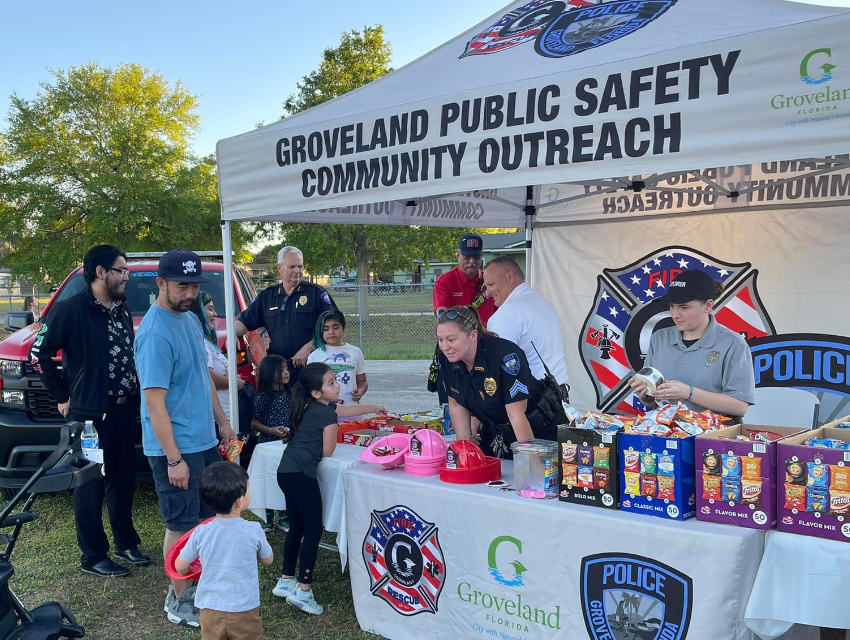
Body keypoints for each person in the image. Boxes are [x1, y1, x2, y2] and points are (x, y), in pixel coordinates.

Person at [29, 245, 148, 578]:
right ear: (101, 272)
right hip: (89, 415)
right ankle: (94, 555)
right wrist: (62, 393)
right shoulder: (68, 309)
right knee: (90, 481)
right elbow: (37, 353)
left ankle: (127, 542)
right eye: (121, 270)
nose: (126, 277)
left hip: (125, 411)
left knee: (123, 478)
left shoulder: (121, 307)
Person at [135, 249, 238, 628]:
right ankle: (178, 598)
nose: (190, 293)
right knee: (181, 523)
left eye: (195, 285)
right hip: (174, 448)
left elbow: (203, 378)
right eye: (182, 286)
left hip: (203, 441)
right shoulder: (155, 333)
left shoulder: (191, 320)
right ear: (160, 284)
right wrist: (174, 459)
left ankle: (198, 585)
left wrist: (223, 425)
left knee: (207, 518)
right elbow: (154, 404)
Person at [272, 363, 385, 615]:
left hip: (285, 472)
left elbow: (345, 409)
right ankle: (303, 590)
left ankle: (286, 578)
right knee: (312, 531)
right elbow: (328, 450)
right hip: (303, 476)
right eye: (332, 383)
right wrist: (330, 430)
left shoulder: (309, 405)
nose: (338, 385)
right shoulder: (326, 415)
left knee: (297, 527)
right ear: (317, 393)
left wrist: (374, 408)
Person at [436, 306, 566, 458]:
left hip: (538, 433)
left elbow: (516, 415)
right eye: (440, 340)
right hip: (498, 433)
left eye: (451, 340)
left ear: (473, 335)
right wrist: (464, 453)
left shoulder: (505, 356)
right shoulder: (446, 357)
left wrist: (531, 464)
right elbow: (456, 405)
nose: (445, 347)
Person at [628, 269, 755, 422]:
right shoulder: (659, 338)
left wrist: (688, 392)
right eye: (672, 306)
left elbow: (739, 406)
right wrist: (646, 394)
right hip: (664, 431)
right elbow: (652, 402)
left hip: (710, 437)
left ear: (708, 306)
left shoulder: (733, 344)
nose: (675, 314)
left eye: (683, 307)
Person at [175, 461, 274, 640]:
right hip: (244, 608)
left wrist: (192, 570)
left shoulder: (201, 531)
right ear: (240, 500)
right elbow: (268, 559)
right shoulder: (254, 529)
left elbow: (180, 566)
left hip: (209, 609)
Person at [234, 246, 338, 383]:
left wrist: (309, 347)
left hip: (311, 369)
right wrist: (232, 334)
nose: (297, 271)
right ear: (280, 268)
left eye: (300, 266)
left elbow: (335, 327)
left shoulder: (316, 293)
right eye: (292, 267)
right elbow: (243, 322)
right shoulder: (267, 296)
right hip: (280, 373)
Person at [483, 257, 570, 400]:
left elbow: (499, 370)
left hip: (532, 400)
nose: (487, 292)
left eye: (491, 285)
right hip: (559, 391)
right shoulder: (540, 302)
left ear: (510, 277)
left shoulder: (505, 315)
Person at [251, 354, 292, 532]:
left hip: (285, 445)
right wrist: (271, 430)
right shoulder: (262, 398)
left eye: (287, 368)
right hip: (267, 446)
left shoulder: (292, 394)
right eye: (281, 369)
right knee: (267, 480)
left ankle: (284, 515)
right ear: (269, 373)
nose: (286, 372)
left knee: (282, 480)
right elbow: (253, 422)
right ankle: (267, 517)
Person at [190, 291, 246, 422]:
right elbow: (208, 378)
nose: (215, 314)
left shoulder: (208, 343)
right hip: (217, 423)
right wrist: (233, 383)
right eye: (210, 309)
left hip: (228, 419)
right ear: (198, 311)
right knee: (232, 443)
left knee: (237, 443)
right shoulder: (201, 343)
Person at [306, 310, 368, 414]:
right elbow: (310, 387)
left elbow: (362, 381)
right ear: (320, 331)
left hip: (352, 412)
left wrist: (361, 391)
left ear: (343, 328)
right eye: (326, 329)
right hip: (325, 413)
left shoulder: (355, 352)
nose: (331, 332)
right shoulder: (314, 356)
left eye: (335, 327)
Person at [432, 233, 495, 326]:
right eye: (467, 256)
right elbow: (442, 316)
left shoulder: (490, 280)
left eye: (476, 257)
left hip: (485, 337)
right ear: (458, 255)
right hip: (455, 338)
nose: (472, 261)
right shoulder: (445, 281)